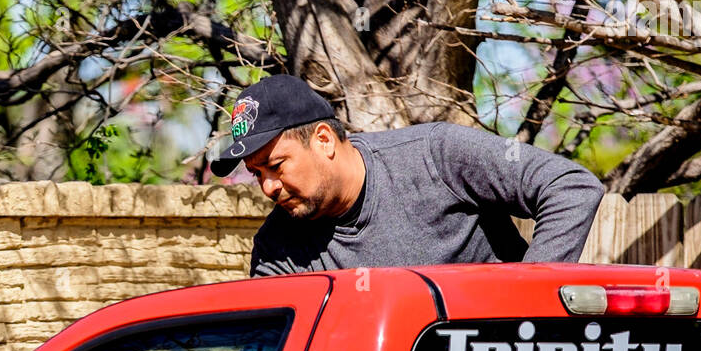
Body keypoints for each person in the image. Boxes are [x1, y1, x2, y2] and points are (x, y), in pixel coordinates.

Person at [209, 75, 605, 277]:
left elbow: (571, 187)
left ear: (324, 140)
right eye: (256, 172)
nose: (267, 187)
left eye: (276, 166)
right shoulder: (279, 249)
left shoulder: (436, 155)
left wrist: (524, 305)